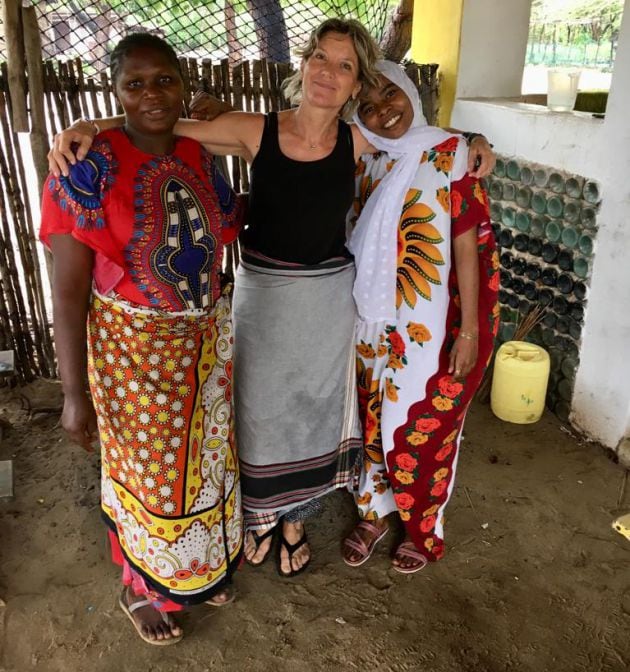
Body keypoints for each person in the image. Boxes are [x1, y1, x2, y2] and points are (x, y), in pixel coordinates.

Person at [48, 19, 494, 580]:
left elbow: (426, 138)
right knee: (257, 409)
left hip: (329, 297)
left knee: (312, 411)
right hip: (263, 290)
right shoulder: (254, 130)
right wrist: (89, 124)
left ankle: (294, 521)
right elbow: (159, 123)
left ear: (355, 85)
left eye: (344, 66)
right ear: (304, 64)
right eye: (321, 59)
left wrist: (478, 141)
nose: (327, 74)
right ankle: (261, 514)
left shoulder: (361, 140)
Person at [40, 33, 245, 644]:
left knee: (203, 467)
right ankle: (142, 586)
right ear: (115, 90)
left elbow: (230, 223)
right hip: (132, 354)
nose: (151, 94)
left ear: (182, 83)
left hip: (203, 348)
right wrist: (73, 394)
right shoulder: (87, 165)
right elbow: (69, 289)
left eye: (164, 80)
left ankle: (196, 569)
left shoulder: (200, 152)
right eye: (135, 83)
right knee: (147, 477)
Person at [342, 61, 499, 573]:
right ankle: (373, 512)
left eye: (390, 94)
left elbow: (467, 242)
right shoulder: (365, 157)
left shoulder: (452, 154)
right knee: (371, 415)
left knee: (420, 425)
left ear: (410, 90)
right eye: (367, 105)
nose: (383, 111)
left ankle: (423, 525)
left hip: (428, 324)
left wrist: (470, 330)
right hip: (369, 321)